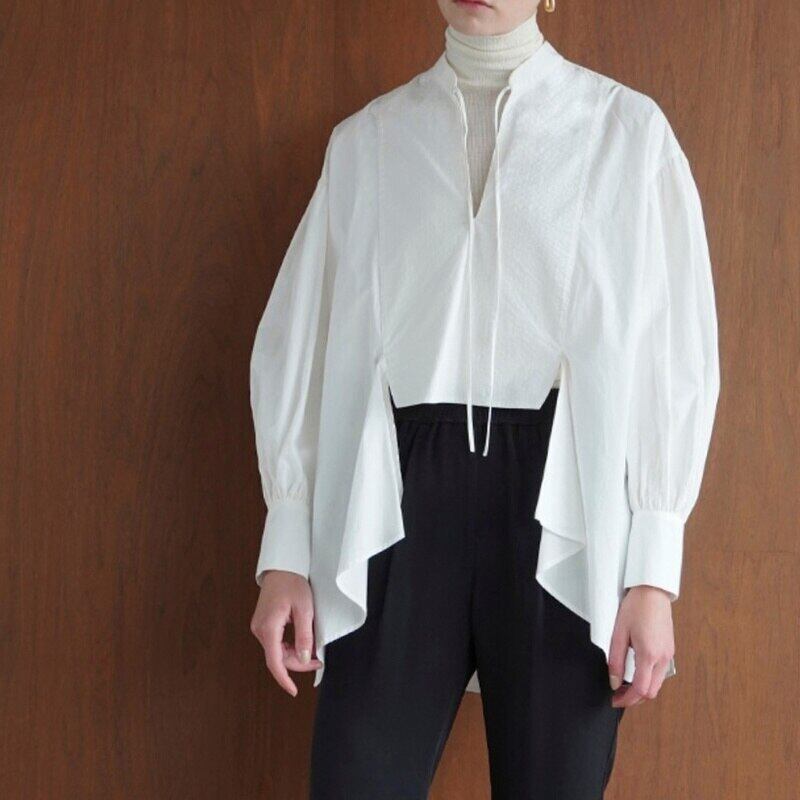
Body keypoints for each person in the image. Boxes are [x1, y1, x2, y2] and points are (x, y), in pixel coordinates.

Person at [248, 1, 721, 797]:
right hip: (392, 502)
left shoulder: (626, 135)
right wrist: (287, 549)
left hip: (566, 509)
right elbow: (303, 338)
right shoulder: (368, 143)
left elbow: (672, 354)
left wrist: (652, 569)